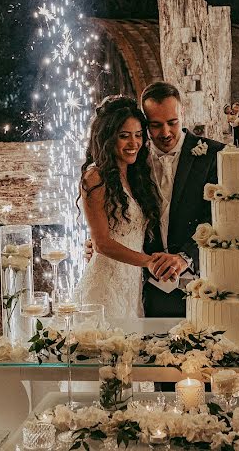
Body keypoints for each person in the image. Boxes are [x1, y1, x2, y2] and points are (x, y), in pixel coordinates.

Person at [74, 95, 165, 318]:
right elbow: (102, 243)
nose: (134, 143)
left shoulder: (135, 175)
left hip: (131, 284)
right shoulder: (95, 177)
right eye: (124, 136)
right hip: (105, 286)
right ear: (107, 137)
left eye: (138, 135)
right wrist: (149, 262)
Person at [140, 82, 225, 317]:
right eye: (155, 125)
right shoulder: (133, 159)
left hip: (201, 284)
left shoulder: (215, 155)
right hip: (146, 285)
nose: (165, 133)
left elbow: (220, 218)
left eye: (172, 122)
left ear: (182, 113)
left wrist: (186, 257)